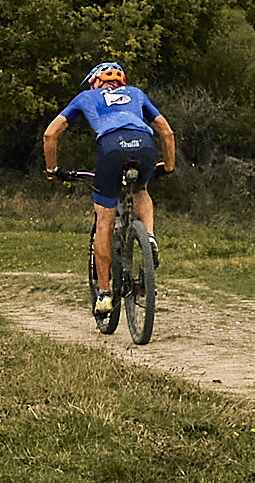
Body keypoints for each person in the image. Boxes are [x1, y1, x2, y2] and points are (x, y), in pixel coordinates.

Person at [41, 60, 176, 311]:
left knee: (104, 220)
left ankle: (104, 294)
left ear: (95, 81)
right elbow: (167, 133)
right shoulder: (136, 93)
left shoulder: (86, 97)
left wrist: (53, 171)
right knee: (140, 190)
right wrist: (168, 165)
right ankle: (148, 237)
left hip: (111, 147)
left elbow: (50, 134)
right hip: (144, 144)